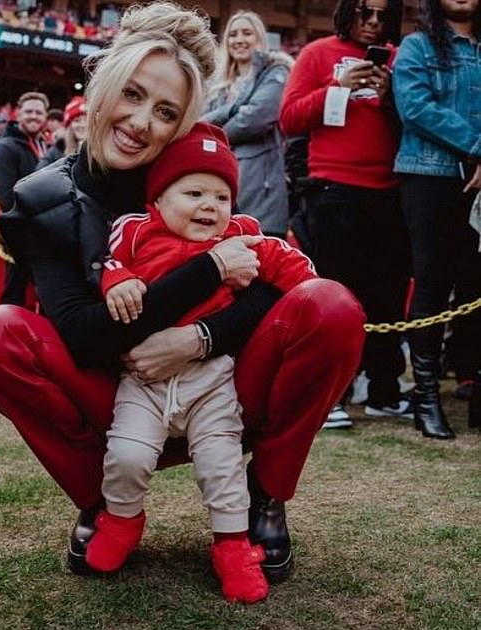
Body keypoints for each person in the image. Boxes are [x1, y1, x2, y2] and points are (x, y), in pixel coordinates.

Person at [0, 1, 365, 586]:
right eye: (131, 94)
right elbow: (83, 336)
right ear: (101, 84)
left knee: (329, 305)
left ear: (184, 123)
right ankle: (103, 503)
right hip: (112, 392)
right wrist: (205, 273)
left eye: (165, 111)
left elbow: (270, 290)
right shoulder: (40, 197)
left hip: (221, 389)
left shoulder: (196, 172)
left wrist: (199, 338)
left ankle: (267, 498)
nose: (140, 122)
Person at [86, 122, 316, 602]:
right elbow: (104, 264)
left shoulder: (243, 236)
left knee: (222, 465)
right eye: (193, 192)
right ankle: (122, 520)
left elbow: (294, 269)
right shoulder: (134, 231)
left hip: (212, 379)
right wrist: (117, 282)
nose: (209, 206)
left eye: (221, 197)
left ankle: (233, 547)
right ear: (159, 199)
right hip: (144, 378)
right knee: (126, 456)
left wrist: (315, 293)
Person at [279, 0, 411, 429]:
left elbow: (414, 124)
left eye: (381, 16)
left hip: (390, 191)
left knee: (388, 296)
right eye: (363, 13)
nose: (372, 23)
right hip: (332, 190)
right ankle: (330, 395)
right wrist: (339, 89)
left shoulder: (397, 58)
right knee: (337, 296)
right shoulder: (317, 53)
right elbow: (290, 117)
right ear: (346, 12)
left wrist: (391, 98)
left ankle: (383, 392)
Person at [392, 0, 481, 439]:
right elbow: (415, 108)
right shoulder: (417, 46)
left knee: (476, 285)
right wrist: (477, 145)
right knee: (431, 282)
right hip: (430, 177)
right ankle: (425, 396)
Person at [202, 10, 293, 238]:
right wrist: (235, 109)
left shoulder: (275, 71)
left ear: (259, 38)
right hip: (219, 178)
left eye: (247, 33)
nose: (239, 40)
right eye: (233, 34)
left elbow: (255, 118)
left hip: (260, 184)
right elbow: (201, 120)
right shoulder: (217, 85)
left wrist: (214, 132)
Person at [0, 91, 48, 305]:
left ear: (45, 117)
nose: (34, 116)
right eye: (29, 111)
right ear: (18, 114)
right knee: (15, 289)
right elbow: (6, 198)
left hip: (43, 229)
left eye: (38, 112)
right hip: (18, 230)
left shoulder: (44, 146)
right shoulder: (5, 148)